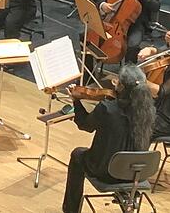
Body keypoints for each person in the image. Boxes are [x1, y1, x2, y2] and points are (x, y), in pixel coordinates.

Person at [62, 65, 156, 213]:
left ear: (121, 86)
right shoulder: (148, 111)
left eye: (117, 81)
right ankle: (127, 197)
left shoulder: (107, 109)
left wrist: (76, 101)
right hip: (136, 173)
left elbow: (85, 125)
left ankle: (70, 210)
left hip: (106, 172)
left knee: (77, 154)